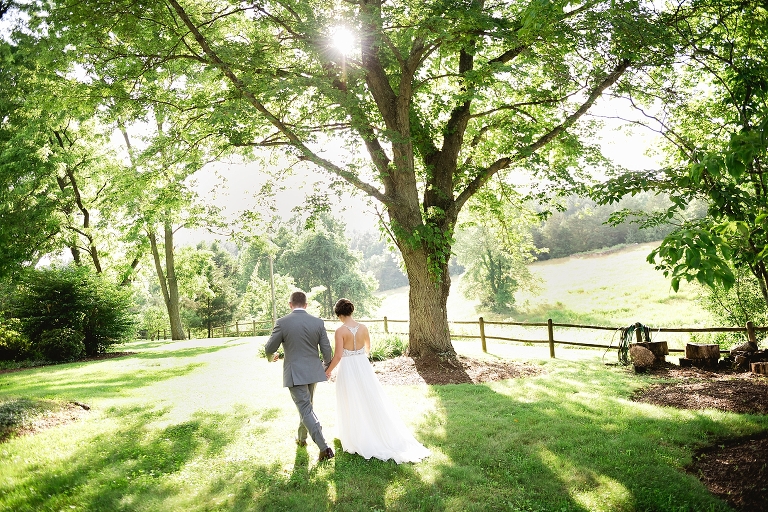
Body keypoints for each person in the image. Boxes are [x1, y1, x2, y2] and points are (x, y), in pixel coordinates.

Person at [325, 298, 430, 464]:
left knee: (350, 399)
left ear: (339, 314)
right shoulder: (364, 328)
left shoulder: (340, 331)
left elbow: (338, 355)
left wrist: (328, 371)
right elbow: (368, 348)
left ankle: (355, 435)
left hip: (348, 368)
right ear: (351, 311)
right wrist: (359, 357)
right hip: (362, 365)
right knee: (369, 397)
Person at [264, 291, 334, 462]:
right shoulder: (317, 322)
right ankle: (302, 439)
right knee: (307, 407)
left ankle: (324, 448)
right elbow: (327, 350)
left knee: (305, 409)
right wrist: (326, 367)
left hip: (295, 373)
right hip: (313, 371)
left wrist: (270, 357)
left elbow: (269, 348)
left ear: (290, 304)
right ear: (306, 305)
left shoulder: (282, 322)